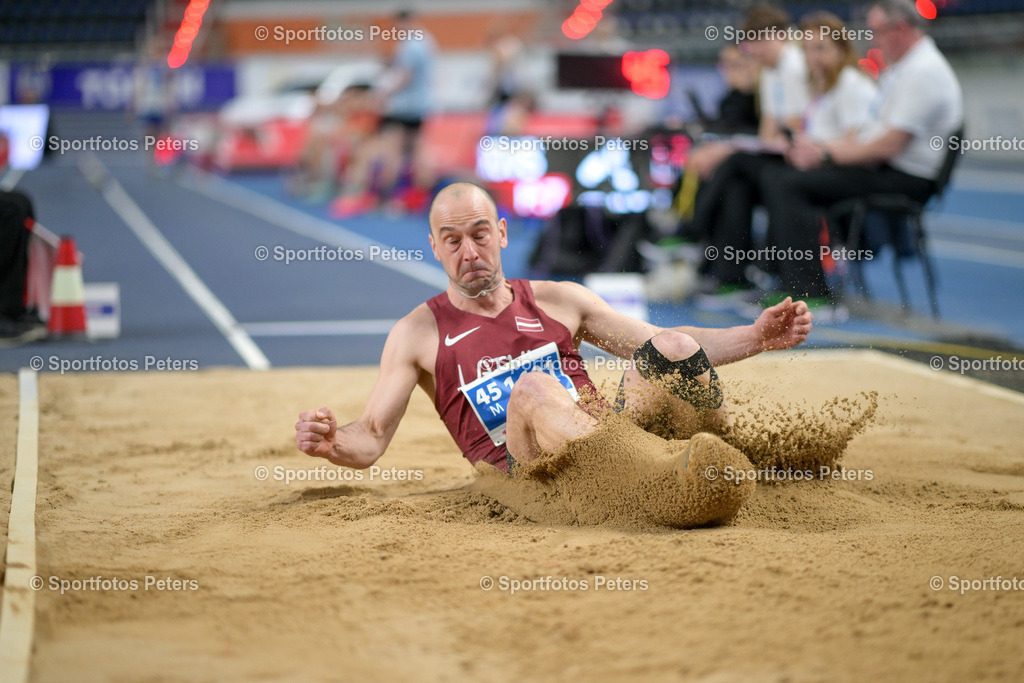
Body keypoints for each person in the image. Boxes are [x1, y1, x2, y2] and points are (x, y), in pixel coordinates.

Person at [295, 183, 813, 476]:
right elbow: (372, 437)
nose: (469, 252)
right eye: (452, 241)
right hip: (529, 475)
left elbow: (657, 346)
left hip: (605, 439)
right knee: (535, 388)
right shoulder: (416, 333)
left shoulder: (558, 299)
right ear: (434, 247)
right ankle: (652, 474)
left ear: (501, 232)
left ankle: (734, 466)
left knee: (671, 346)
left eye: (479, 234)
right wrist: (331, 443)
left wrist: (757, 337)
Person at [761, 0, 963, 302]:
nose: (872, 39)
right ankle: (780, 276)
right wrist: (822, 149)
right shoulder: (904, 68)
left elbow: (887, 145)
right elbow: (872, 136)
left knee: (790, 184)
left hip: (907, 178)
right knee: (783, 177)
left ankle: (808, 292)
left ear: (902, 29)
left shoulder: (924, 71)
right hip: (888, 168)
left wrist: (825, 155)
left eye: (877, 31)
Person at [693, 11, 878, 309]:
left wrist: (818, 150)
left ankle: (806, 286)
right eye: (806, 49)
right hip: (819, 160)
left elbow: (859, 144)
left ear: (841, 49)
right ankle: (737, 272)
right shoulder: (824, 86)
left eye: (820, 48)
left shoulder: (850, 83)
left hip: (850, 169)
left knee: (775, 179)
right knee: (740, 176)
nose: (810, 56)